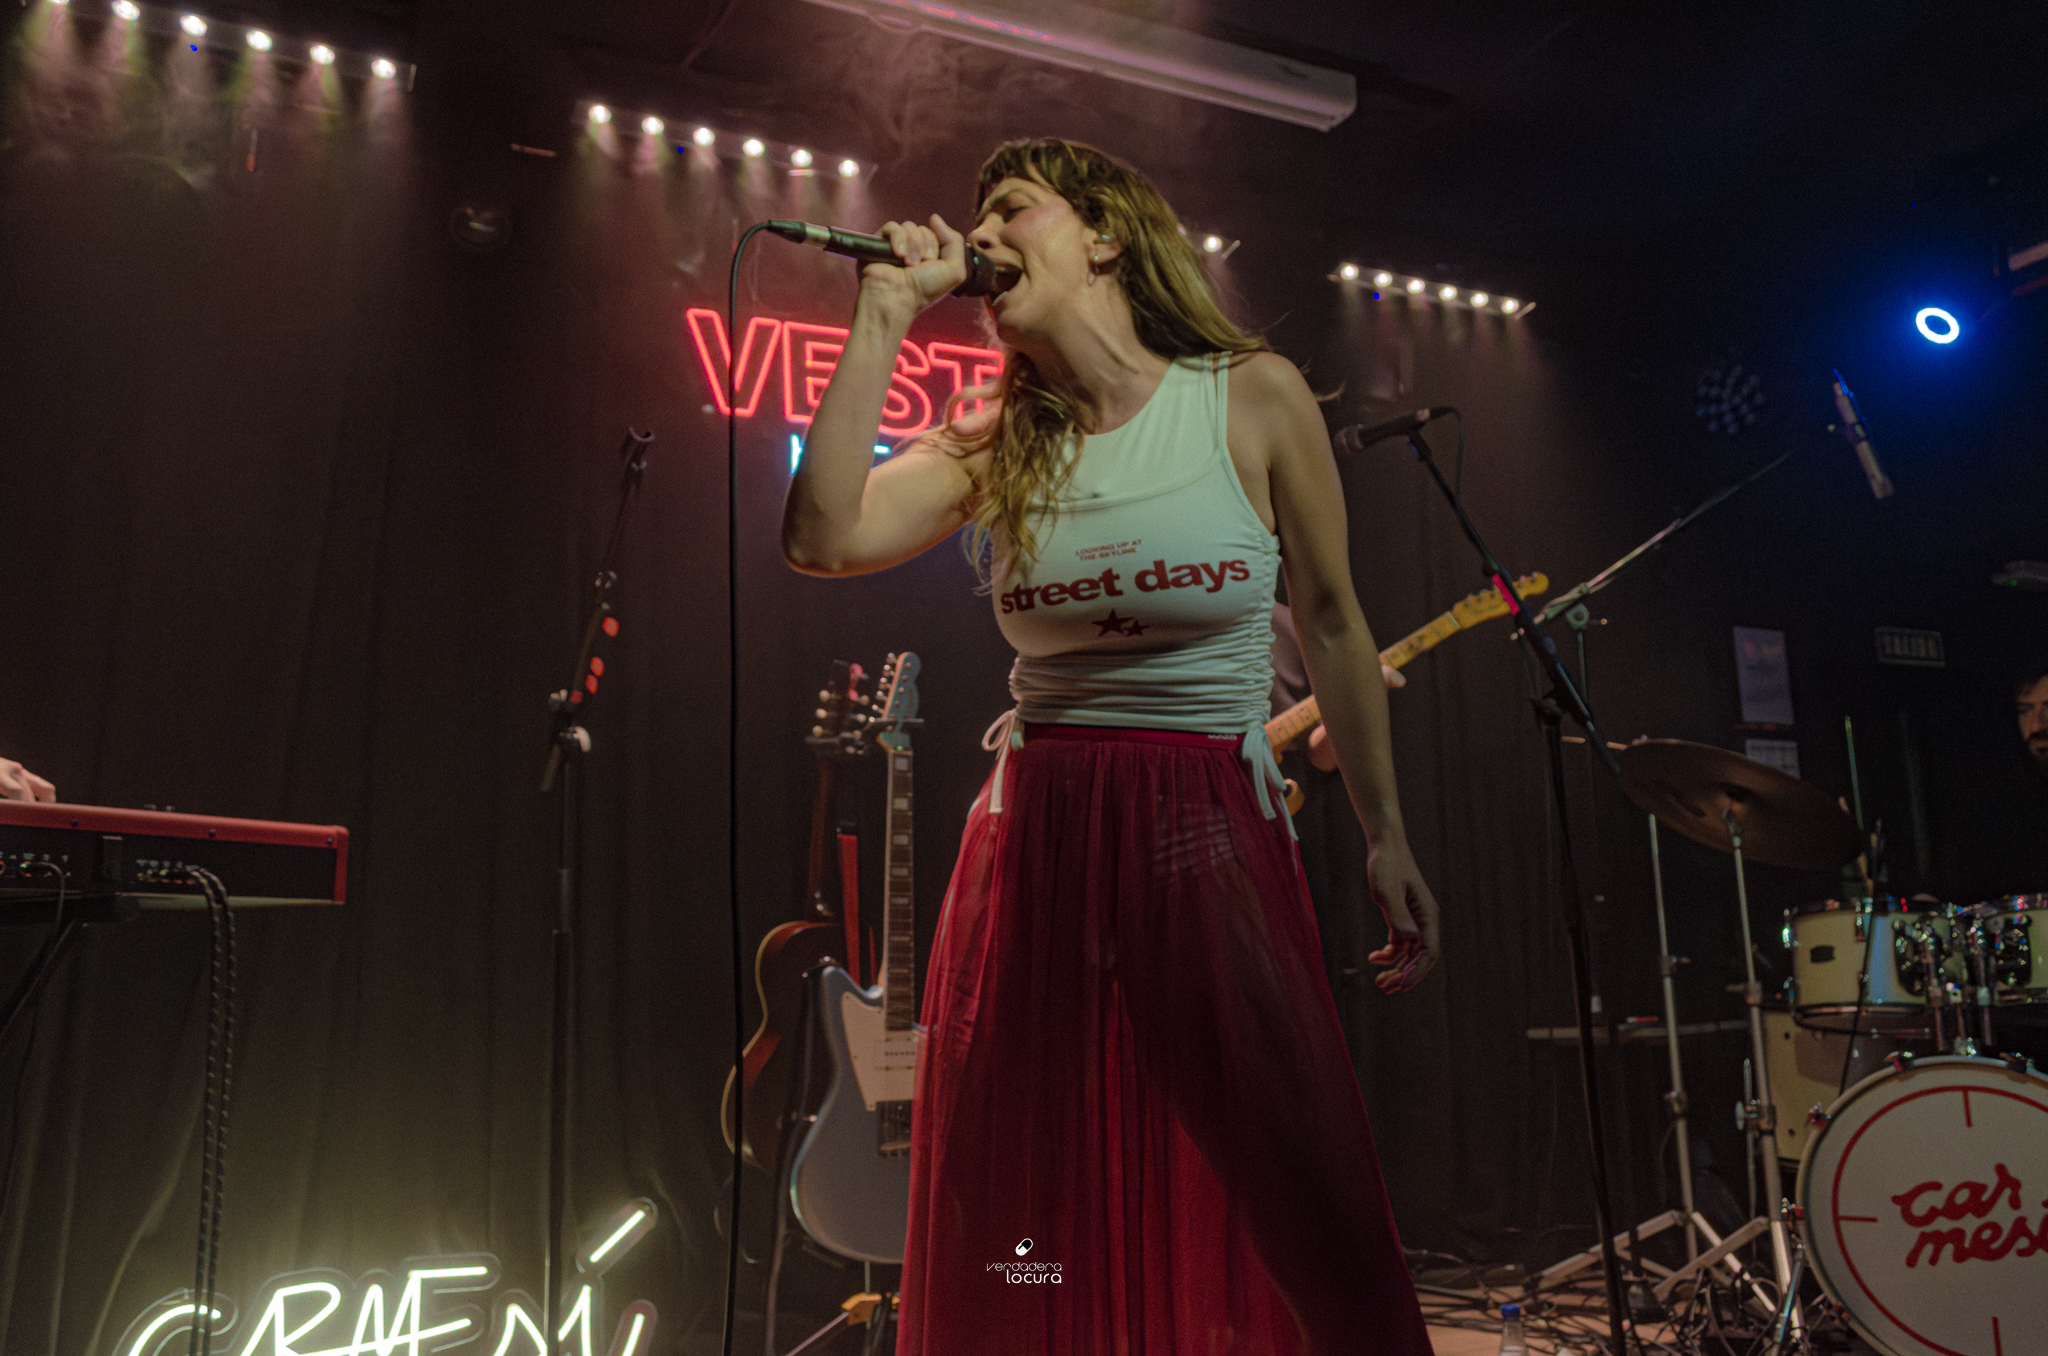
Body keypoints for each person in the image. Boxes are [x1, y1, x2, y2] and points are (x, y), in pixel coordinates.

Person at [782, 138, 1440, 1356]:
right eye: (977, 215)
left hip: (1199, 818)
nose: (981, 235)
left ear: (1103, 235)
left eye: (1010, 209)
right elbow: (821, 539)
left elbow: (1334, 621)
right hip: (1036, 831)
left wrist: (1384, 831)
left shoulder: (1248, 395)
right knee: (1012, 1200)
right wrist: (879, 315)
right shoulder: (996, 438)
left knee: (1294, 1173)